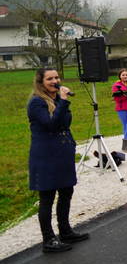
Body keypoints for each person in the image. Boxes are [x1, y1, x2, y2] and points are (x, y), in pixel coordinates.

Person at [28, 67, 88, 252]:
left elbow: (65, 123)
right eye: (49, 79)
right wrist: (63, 101)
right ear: (41, 82)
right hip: (46, 155)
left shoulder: (56, 100)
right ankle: (48, 240)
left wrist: (61, 102)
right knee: (47, 197)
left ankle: (65, 231)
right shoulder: (36, 102)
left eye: (56, 77)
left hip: (62, 152)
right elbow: (51, 125)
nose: (55, 81)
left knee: (66, 191)